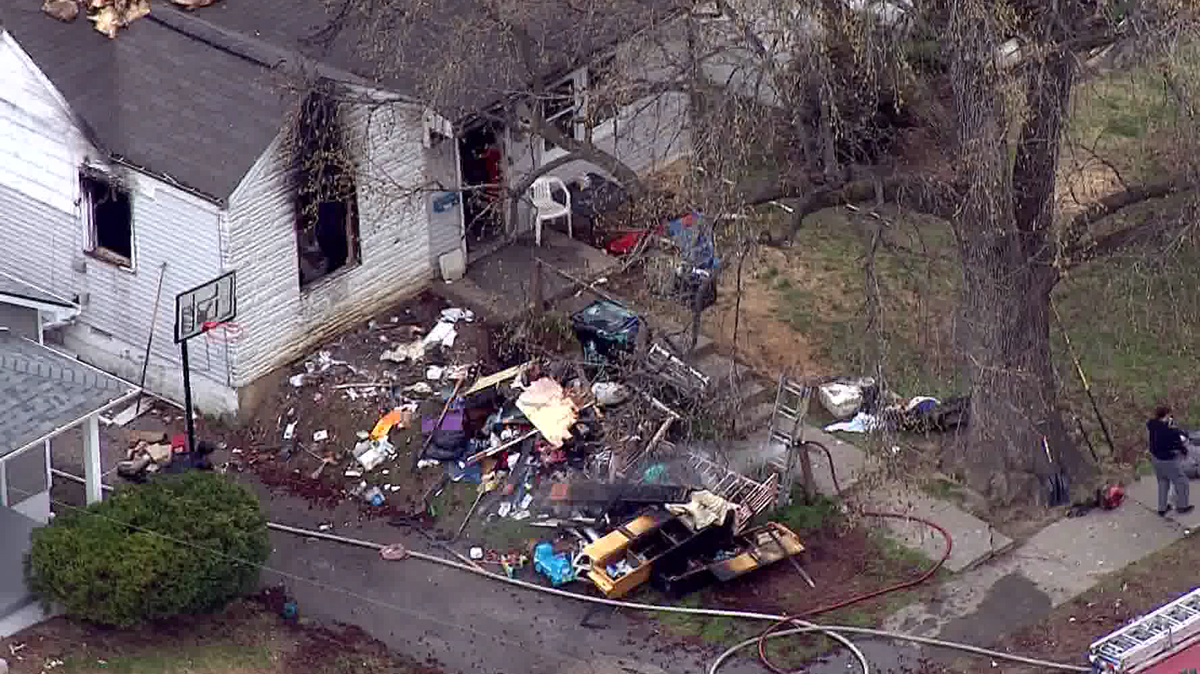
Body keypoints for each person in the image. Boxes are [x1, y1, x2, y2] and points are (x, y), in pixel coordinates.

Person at [1147, 406, 1193, 516]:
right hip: (1167, 460)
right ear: (1167, 415)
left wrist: (1169, 425)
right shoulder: (1169, 431)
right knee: (1182, 481)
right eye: (1169, 415)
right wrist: (1184, 451)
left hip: (1155, 458)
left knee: (1163, 482)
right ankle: (1182, 506)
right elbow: (1178, 442)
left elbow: (1161, 433)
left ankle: (1162, 509)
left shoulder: (1152, 424)